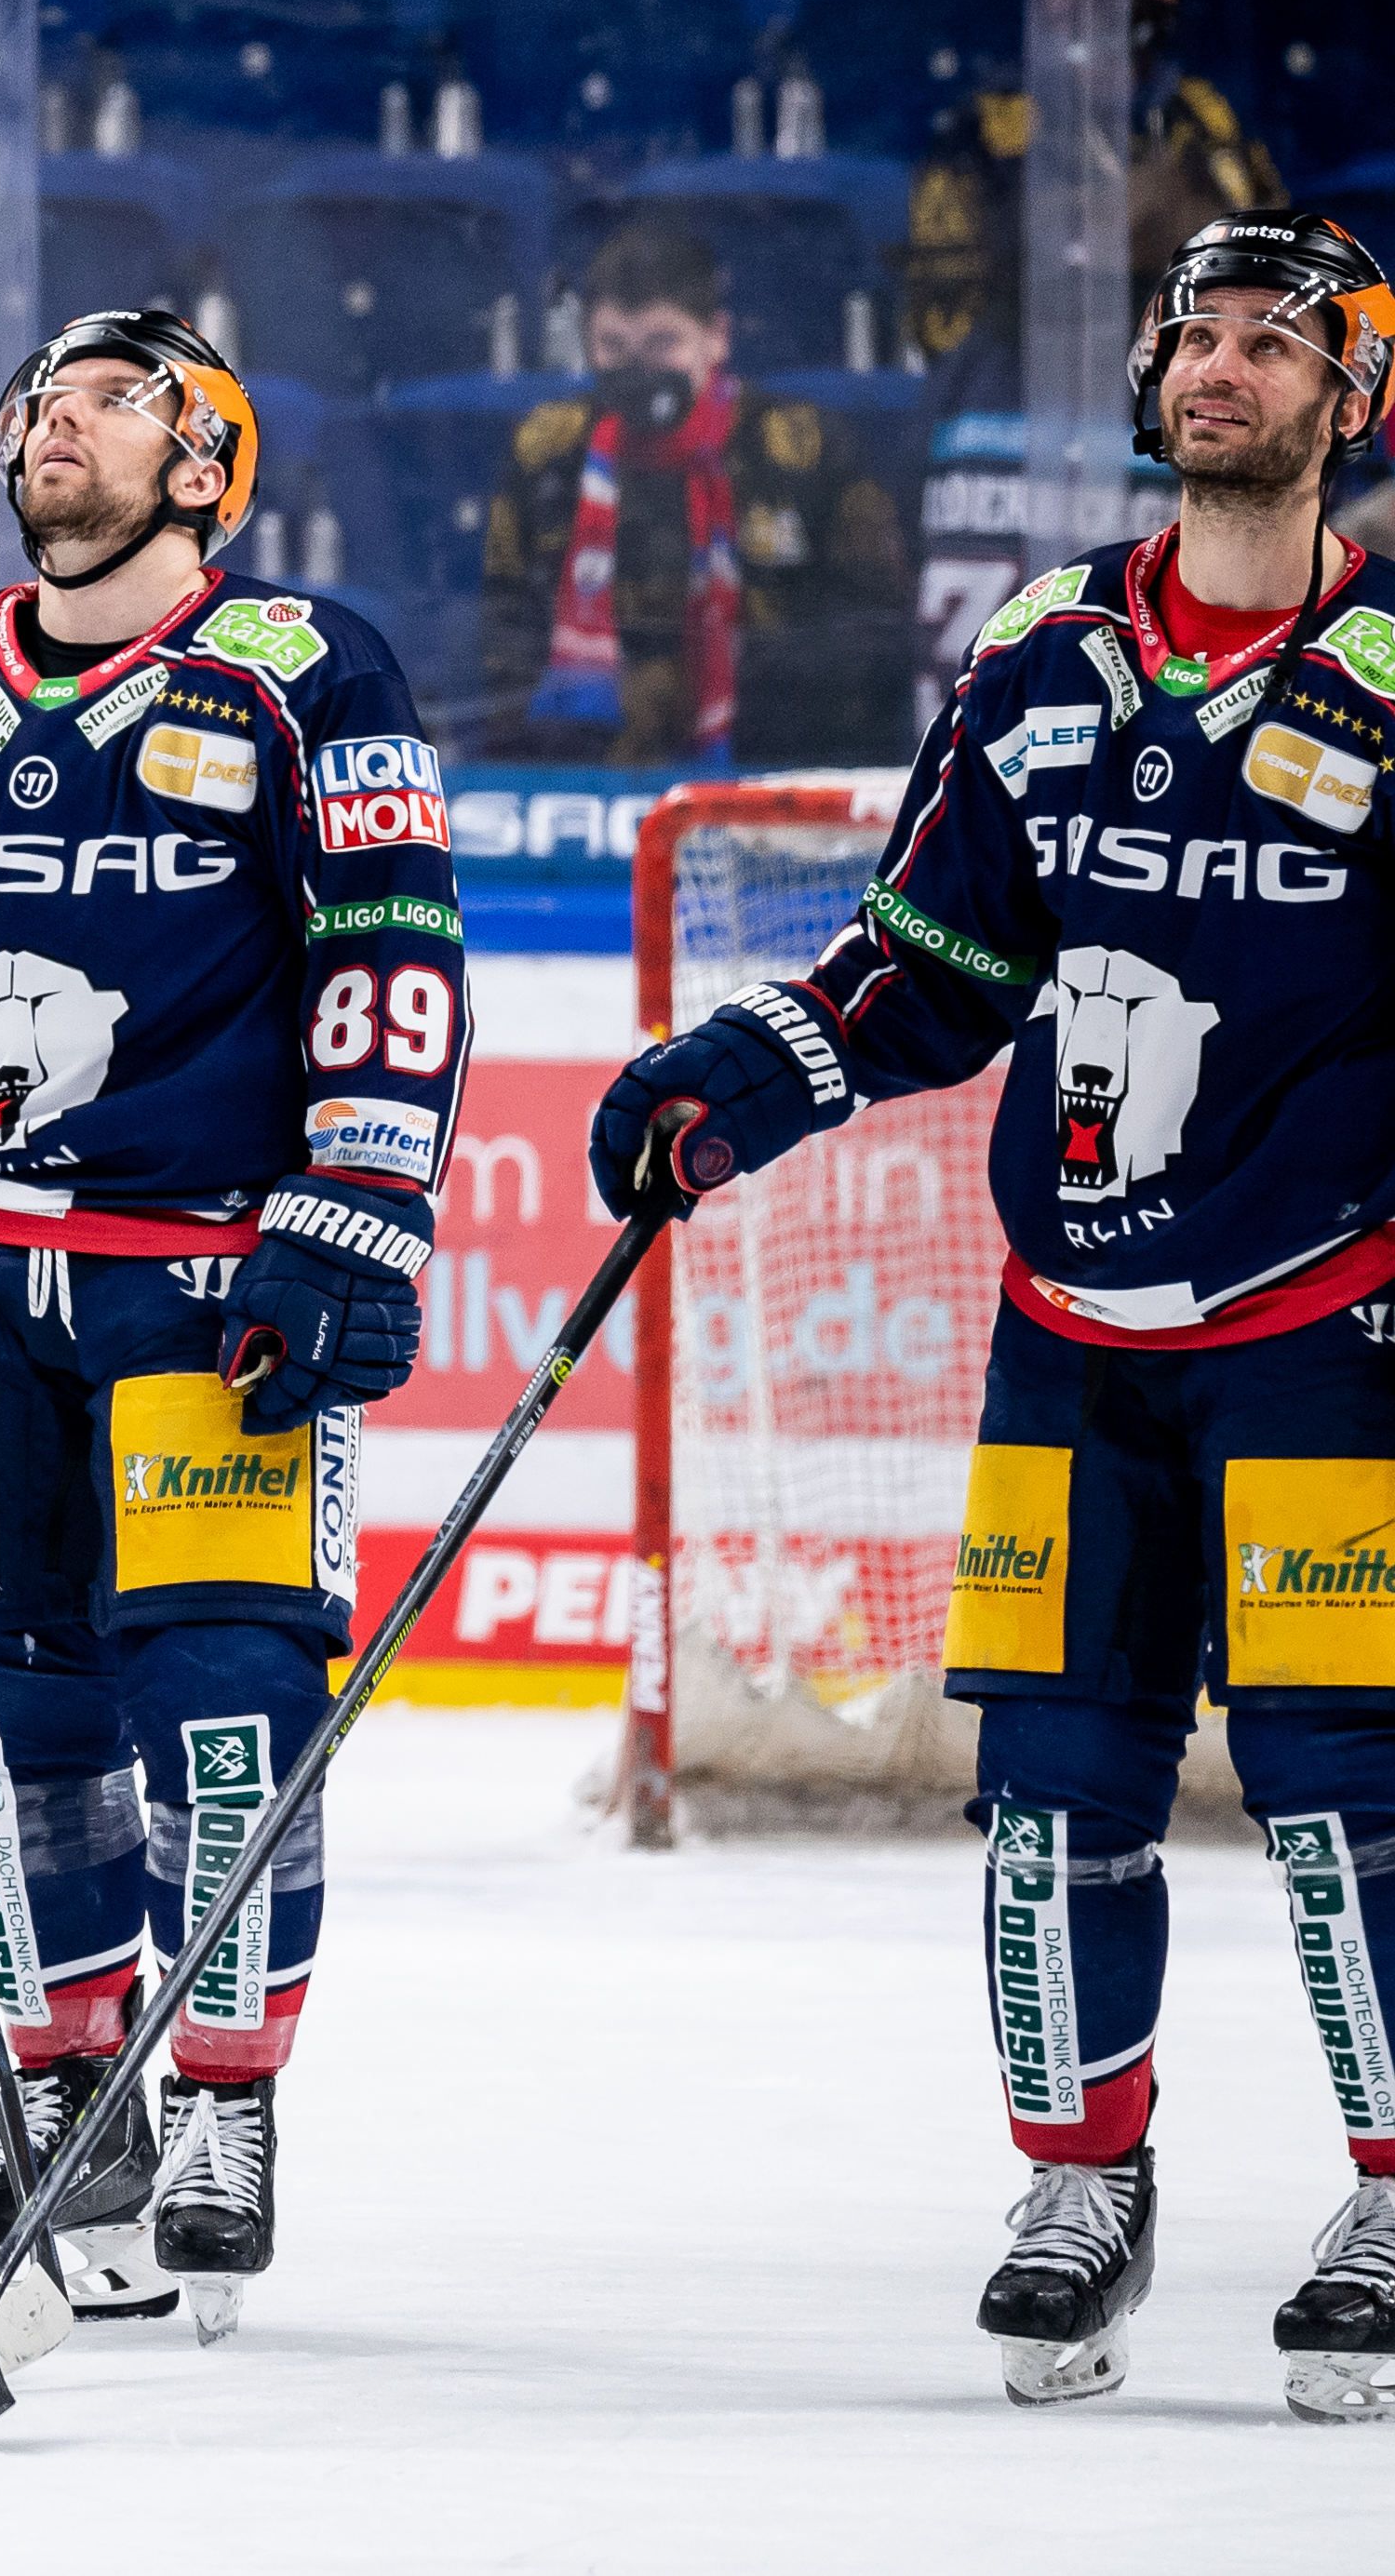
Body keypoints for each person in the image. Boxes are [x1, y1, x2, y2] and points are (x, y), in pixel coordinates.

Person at [589, 214, 1395, 2423]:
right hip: (1067, 1319)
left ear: (1351, 397)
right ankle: (1076, 2179)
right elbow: (925, 965)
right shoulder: (1044, 653)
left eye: (1269, 338)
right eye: (1191, 333)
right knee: (1048, 1784)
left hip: (1330, 1321)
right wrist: (728, 1083)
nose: (1216, 363)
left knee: (1346, 1790)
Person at [0, 308, 467, 2344]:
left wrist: (355, 1218)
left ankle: (216, 2106)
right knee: (5, 1716)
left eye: (114, 400)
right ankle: (64, 2099)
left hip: (207, 1282)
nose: (58, 424)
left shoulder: (306, 670)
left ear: (206, 464)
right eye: (40, 399)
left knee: (220, 1701)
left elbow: (388, 956)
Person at [905, 0, 1286, 665]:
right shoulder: (990, 124)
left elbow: (1266, 274)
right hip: (1010, 421)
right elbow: (945, 304)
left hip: (1171, 419)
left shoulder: (1210, 125)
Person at [479, 217, 913, 766]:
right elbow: (501, 628)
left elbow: (873, 637)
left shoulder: (806, 450)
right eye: (613, 347)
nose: (638, 371)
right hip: (585, 762)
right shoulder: (547, 451)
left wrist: (698, 686)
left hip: (769, 760)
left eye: (662, 344)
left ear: (717, 339)